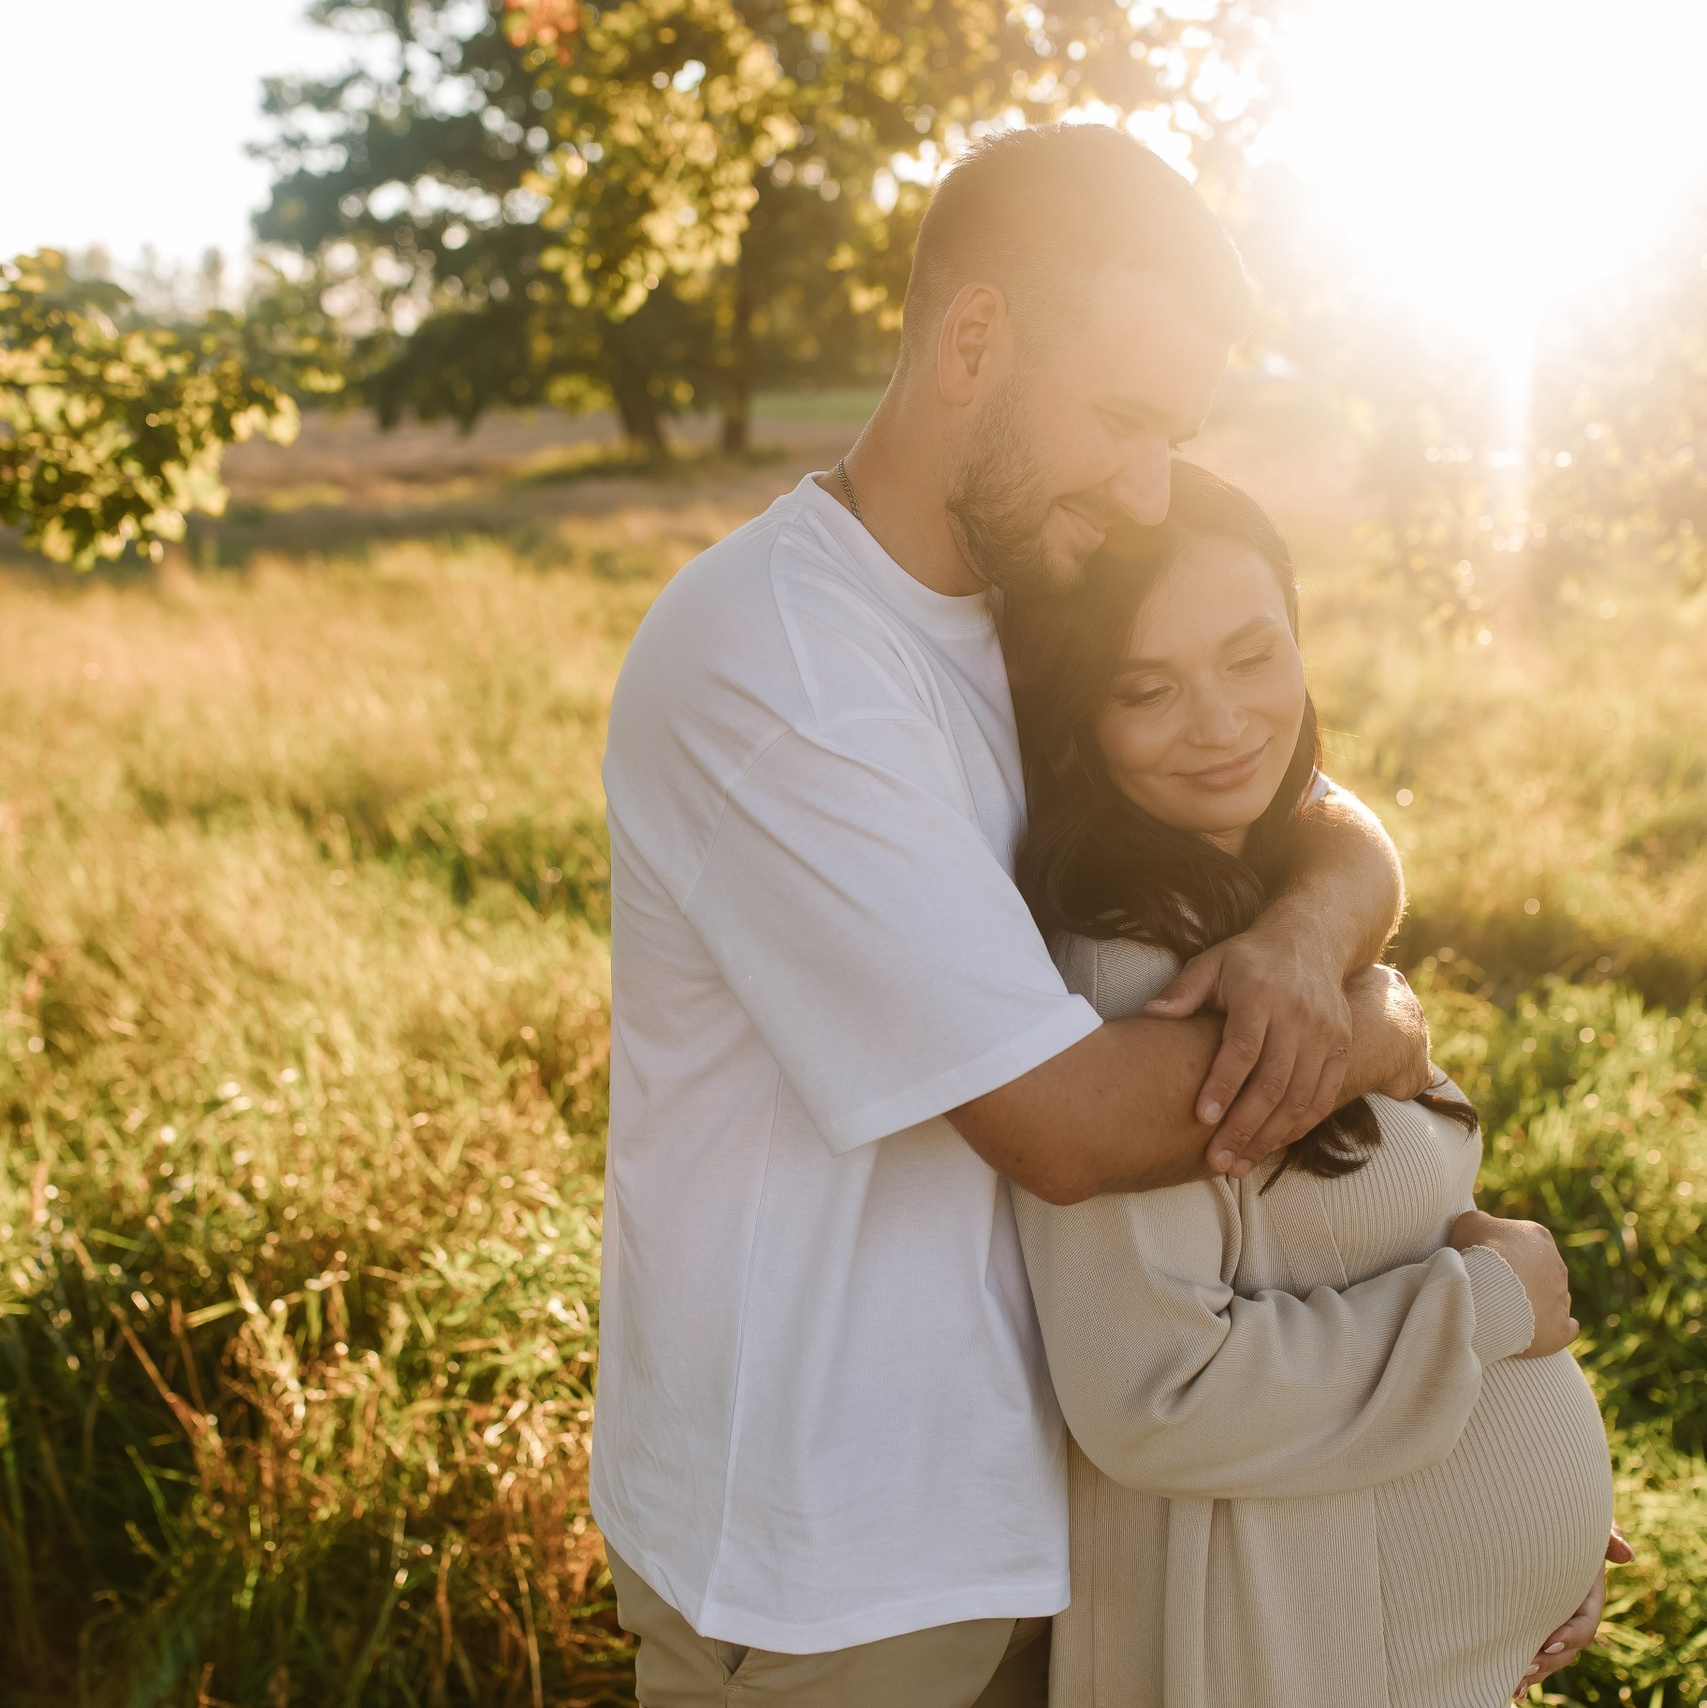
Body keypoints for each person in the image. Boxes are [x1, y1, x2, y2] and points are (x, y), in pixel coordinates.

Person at [595, 123, 1430, 1706]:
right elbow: (1060, 1123)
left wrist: (1304, 941)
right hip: (829, 1572)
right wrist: (1369, 1028)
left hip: (1066, 1517)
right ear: (971, 341)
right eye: (1118, 421)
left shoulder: (1034, 602)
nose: (1145, 487)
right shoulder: (777, 662)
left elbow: (1312, 808)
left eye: (1170, 435)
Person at [1005, 462, 1619, 1707]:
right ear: (1078, 716)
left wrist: (1524, 1512)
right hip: (1288, 1643)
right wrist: (1491, 1312)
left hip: (1391, 1635)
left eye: (1252, 656)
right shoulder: (1132, 977)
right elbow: (1152, 1395)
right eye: (1147, 689)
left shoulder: (1273, 900)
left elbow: (1356, 1243)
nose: (1221, 722)